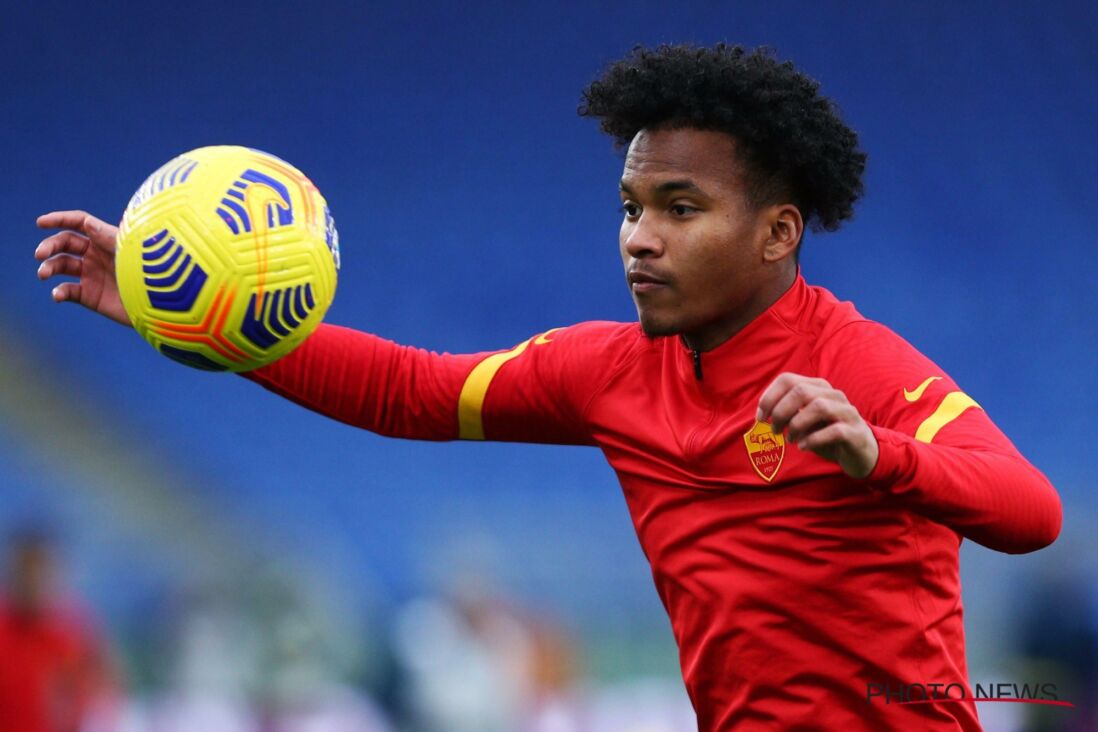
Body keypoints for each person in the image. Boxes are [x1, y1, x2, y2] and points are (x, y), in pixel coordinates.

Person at [34, 44, 1062, 731]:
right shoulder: (606, 370)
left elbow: (1031, 511)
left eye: (681, 208)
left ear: (777, 232)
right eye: (630, 207)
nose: (640, 238)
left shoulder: (860, 365)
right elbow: (408, 392)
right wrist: (201, 318)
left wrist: (880, 455)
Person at [0, 529, 118, 732]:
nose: (33, 581)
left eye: (40, 571)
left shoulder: (74, 633)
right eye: (26, 571)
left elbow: (103, 694)